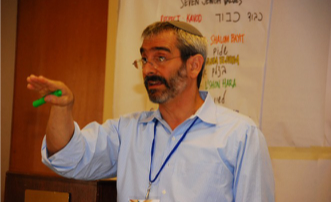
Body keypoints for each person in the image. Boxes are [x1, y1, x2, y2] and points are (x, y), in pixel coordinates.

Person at [27, 21, 275, 202]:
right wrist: (62, 109)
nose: (148, 69)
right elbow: (68, 159)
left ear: (194, 65)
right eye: (144, 59)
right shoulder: (128, 130)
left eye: (160, 58)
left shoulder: (240, 135)